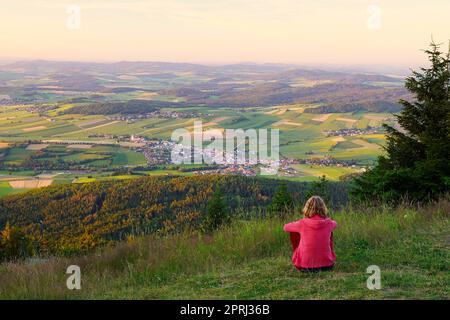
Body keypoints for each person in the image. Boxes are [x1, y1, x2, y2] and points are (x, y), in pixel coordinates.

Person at [283, 196, 337, 272]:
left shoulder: (302, 223)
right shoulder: (329, 223)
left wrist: (296, 223)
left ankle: (301, 258)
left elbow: (285, 227)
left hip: (304, 267)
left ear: (307, 208)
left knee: (295, 233)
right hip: (327, 266)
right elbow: (335, 224)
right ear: (323, 208)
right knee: (329, 233)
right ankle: (325, 258)